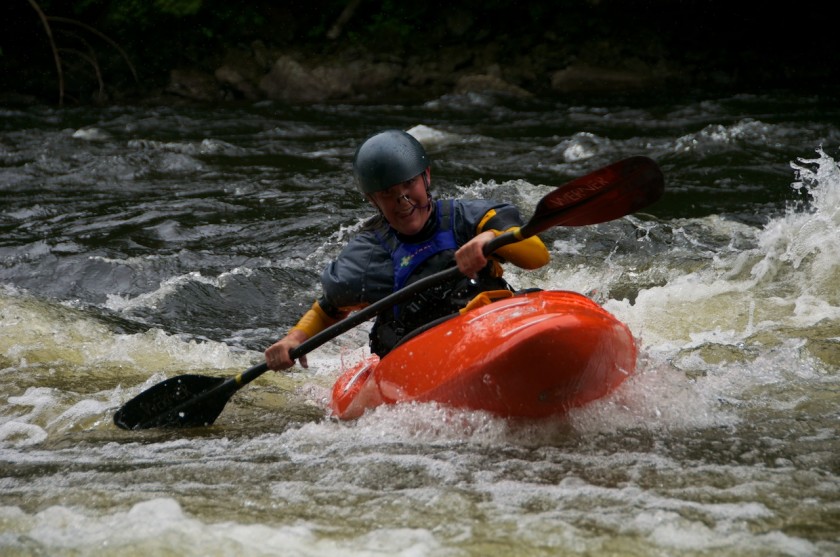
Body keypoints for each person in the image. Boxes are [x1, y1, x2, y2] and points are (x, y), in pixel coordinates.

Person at [265, 129, 550, 370]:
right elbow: (329, 308)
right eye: (388, 193)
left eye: (409, 184)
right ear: (372, 199)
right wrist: (294, 339)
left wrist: (488, 239)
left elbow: (538, 257)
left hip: (489, 329)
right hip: (423, 358)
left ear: (426, 177)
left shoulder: (470, 219)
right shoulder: (367, 256)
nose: (402, 201)